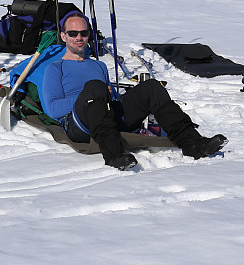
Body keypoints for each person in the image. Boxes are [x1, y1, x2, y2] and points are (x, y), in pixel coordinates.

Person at [40, 12, 227, 171]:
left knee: (152, 87)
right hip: (78, 125)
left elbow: (110, 99)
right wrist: (89, 95)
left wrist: (107, 95)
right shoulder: (55, 68)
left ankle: (193, 144)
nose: (79, 37)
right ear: (63, 36)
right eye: (73, 33)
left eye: (83, 33)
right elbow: (53, 109)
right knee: (95, 86)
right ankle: (114, 155)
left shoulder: (98, 65)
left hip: (105, 115)